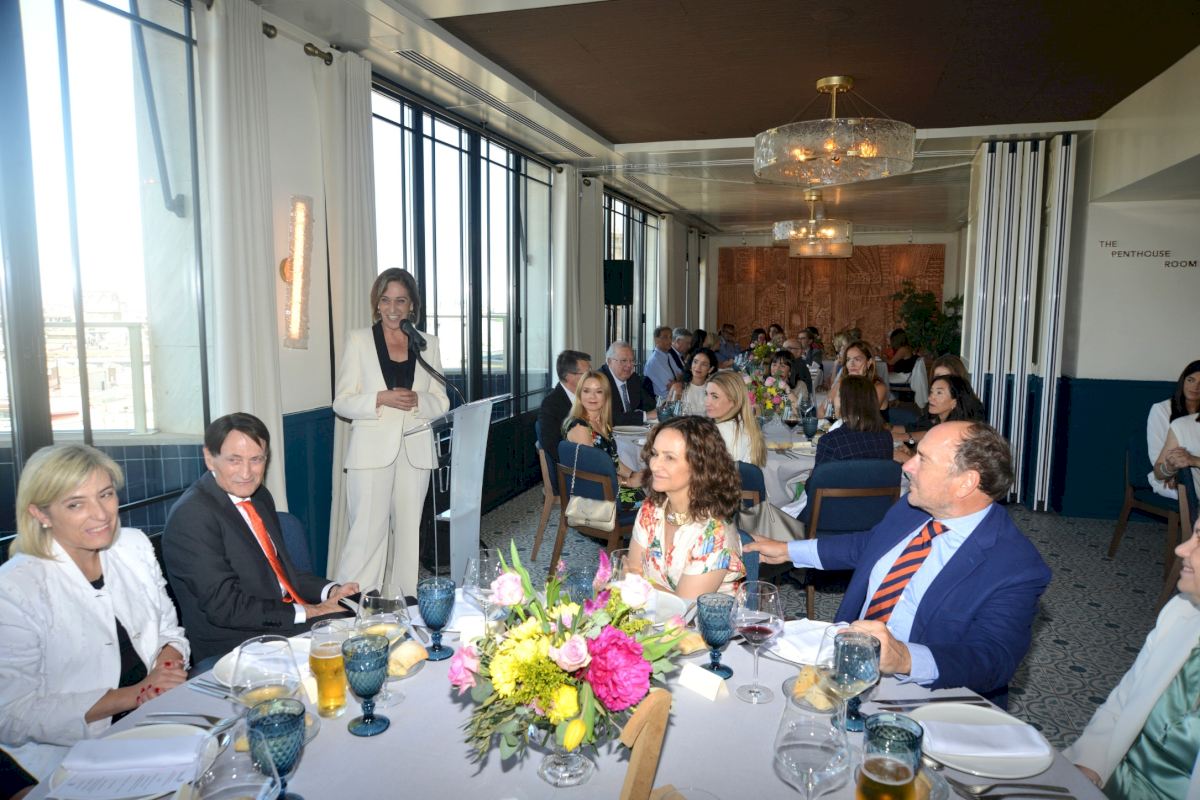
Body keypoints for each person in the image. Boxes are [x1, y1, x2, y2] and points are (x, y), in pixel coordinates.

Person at [744, 421, 1051, 705]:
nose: (907, 466)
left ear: (965, 483)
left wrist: (904, 657)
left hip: (927, 700)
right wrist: (788, 550)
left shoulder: (1015, 567)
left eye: (923, 460)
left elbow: (993, 659)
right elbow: (868, 545)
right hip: (846, 670)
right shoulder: (913, 509)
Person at [0, 444, 190, 782]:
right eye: (76, 504)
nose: (101, 514)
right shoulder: (14, 588)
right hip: (64, 756)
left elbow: (168, 631)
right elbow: (12, 714)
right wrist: (136, 694)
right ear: (41, 514)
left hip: (152, 721)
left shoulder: (133, 545)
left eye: (105, 495)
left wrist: (167, 668)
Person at [164, 413, 357, 666]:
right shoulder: (192, 515)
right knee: (352, 647)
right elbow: (227, 608)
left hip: (279, 621)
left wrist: (331, 591)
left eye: (256, 460)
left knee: (371, 626)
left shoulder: (259, 497)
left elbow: (282, 574)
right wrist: (314, 611)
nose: (246, 473)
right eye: (234, 460)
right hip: (237, 644)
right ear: (209, 458)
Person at [330, 268, 450, 591]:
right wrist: (380, 398)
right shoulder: (359, 340)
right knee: (366, 536)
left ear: (412, 305)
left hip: (415, 452)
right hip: (370, 453)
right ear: (377, 304)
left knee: (409, 539)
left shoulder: (428, 344)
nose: (393, 308)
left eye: (400, 300)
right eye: (385, 300)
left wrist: (419, 400)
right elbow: (341, 402)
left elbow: (442, 400)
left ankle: (402, 604)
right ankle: (352, 606)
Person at [1064, 514, 1200, 797]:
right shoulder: (1181, 611)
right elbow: (1124, 699)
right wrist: (1090, 763)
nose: (1181, 549)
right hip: (1118, 783)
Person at [627, 416, 746, 599]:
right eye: (655, 454)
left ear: (699, 466)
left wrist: (636, 583)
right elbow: (633, 572)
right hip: (650, 613)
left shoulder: (714, 533)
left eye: (669, 458)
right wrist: (634, 582)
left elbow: (684, 608)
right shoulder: (651, 509)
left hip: (701, 618)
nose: (655, 465)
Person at [563, 371, 639, 487]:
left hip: (607, 483)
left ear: (606, 396)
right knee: (650, 496)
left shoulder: (602, 423)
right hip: (593, 490)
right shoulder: (580, 427)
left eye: (598, 391)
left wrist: (633, 474)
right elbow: (592, 470)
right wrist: (628, 482)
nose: (592, 396)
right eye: (586, 391)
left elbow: (613, 461)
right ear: (579, 394)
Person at [893, 374, 985, 455]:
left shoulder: (956, 433)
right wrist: (910, 454)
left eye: (939, 393)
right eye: (931, 392)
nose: (930, 398)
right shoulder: (937, 422)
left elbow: (940, 468)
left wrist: (904, 457)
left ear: (954, 402)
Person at [1148, 361, 1200, 499]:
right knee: (1188, 491)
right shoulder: (1161, 410)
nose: (1195, 387)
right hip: (1168, 476)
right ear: (1183, 381)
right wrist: (1175, 472)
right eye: (1190, 380)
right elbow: (1157, 458)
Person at [816, 376, 894, 467]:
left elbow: (820, 475)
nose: (833, 401)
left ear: (843, 401)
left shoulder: (830, 441)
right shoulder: (886, 437)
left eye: (837, 395)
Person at [537, 349, 592, 463]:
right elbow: (552, 447)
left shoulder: (589, 395)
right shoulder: (551, 405)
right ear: (569, 377)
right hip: (577, 464)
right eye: (587, 374)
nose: (591, 377)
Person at [704, 370, 766, 467]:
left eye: (715, 397)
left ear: (734, 401)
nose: (707, 402)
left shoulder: (719, 431)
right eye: (706, 394)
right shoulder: (746, 424)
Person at [828, 340, 889, 420]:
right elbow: (822, 411)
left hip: (872, 428)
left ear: (869, 362)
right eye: (848, 359)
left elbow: (864, 419)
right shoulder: (841, 384)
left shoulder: (878, 388)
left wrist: (837, 410)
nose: (851, 364)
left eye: (857, 359)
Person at [600, 341, 656, 426]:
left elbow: (650, 405)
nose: (629, 365)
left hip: (635, 431)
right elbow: (609, 417)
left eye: (632, 360)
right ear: (609, 361)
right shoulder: (599, 381)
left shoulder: (633, 378)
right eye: (624, 360)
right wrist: (645, 416)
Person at [676, 347, 718, 416]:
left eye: (704, 364)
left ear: (710, 369)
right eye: (695, 362)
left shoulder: (714, 390)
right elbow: (670, 415)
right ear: (691, 364)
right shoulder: (679, 387)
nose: (698, 367)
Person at [645, 326, 681, 398]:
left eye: (670, 337)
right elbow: (671, 386)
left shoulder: (668, 355)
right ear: (656, 340)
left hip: (676, 396)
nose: (669, 340)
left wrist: (678, 381)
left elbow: (681, 375)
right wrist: (679, 382)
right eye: (665, 337)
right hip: (664, 401)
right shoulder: (654, 361)